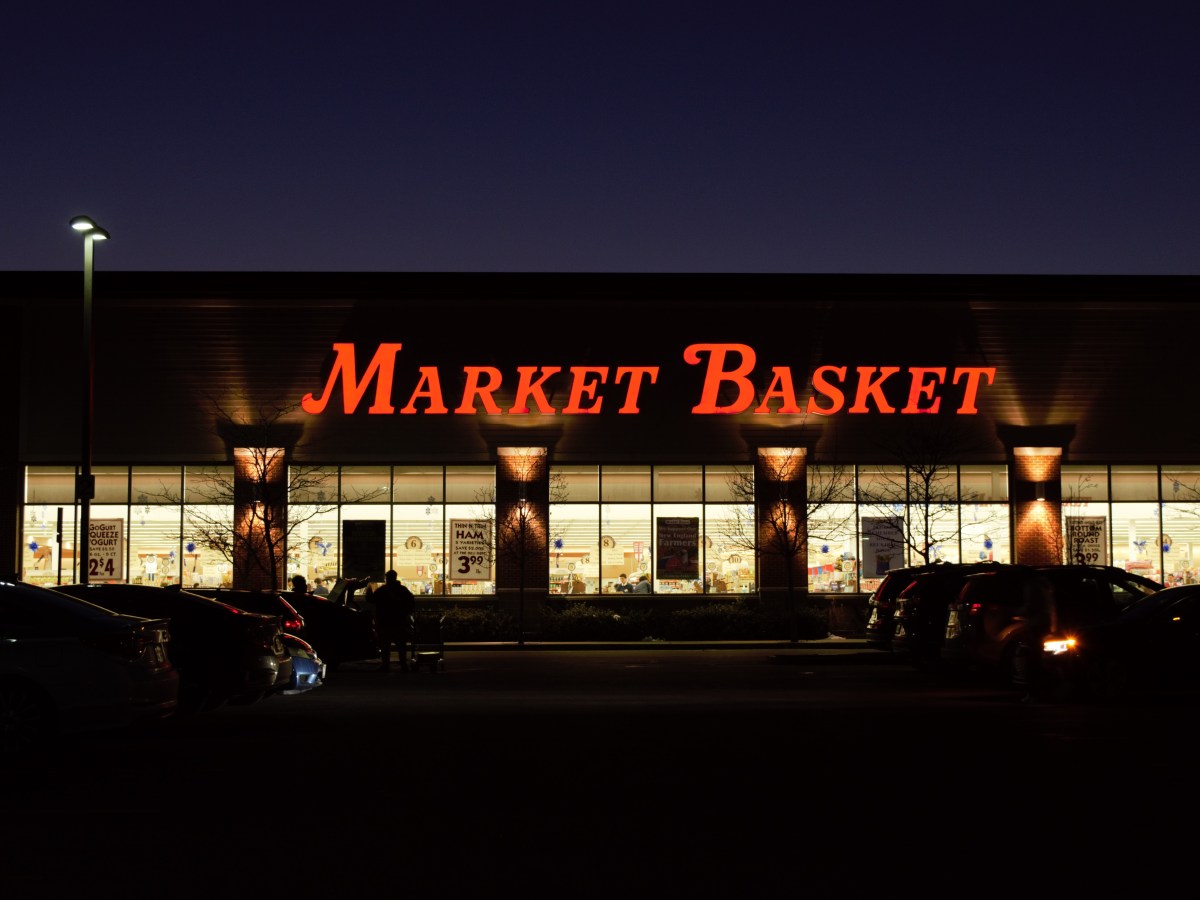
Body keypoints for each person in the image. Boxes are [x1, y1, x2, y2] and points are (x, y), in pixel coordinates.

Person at [372, 569, 416, 672]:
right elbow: (411, 602)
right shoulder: (402, 590)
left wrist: (370, 585)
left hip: (385, 621)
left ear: (387, 578)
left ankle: (385, 665)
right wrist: (405, 613)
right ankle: (403, 665)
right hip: (399, 621)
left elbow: (371, 599)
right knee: (401, 645)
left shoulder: (383, 590)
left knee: (385, 645)